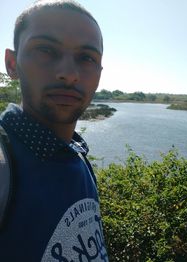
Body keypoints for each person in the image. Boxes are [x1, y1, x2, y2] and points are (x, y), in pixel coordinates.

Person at [0, 0, 109, 261]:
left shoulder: (76, 153)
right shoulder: (4, 167)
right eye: (46, 50)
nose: (69, 74)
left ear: (100, 72)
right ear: (12, 64)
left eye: (86, 58)